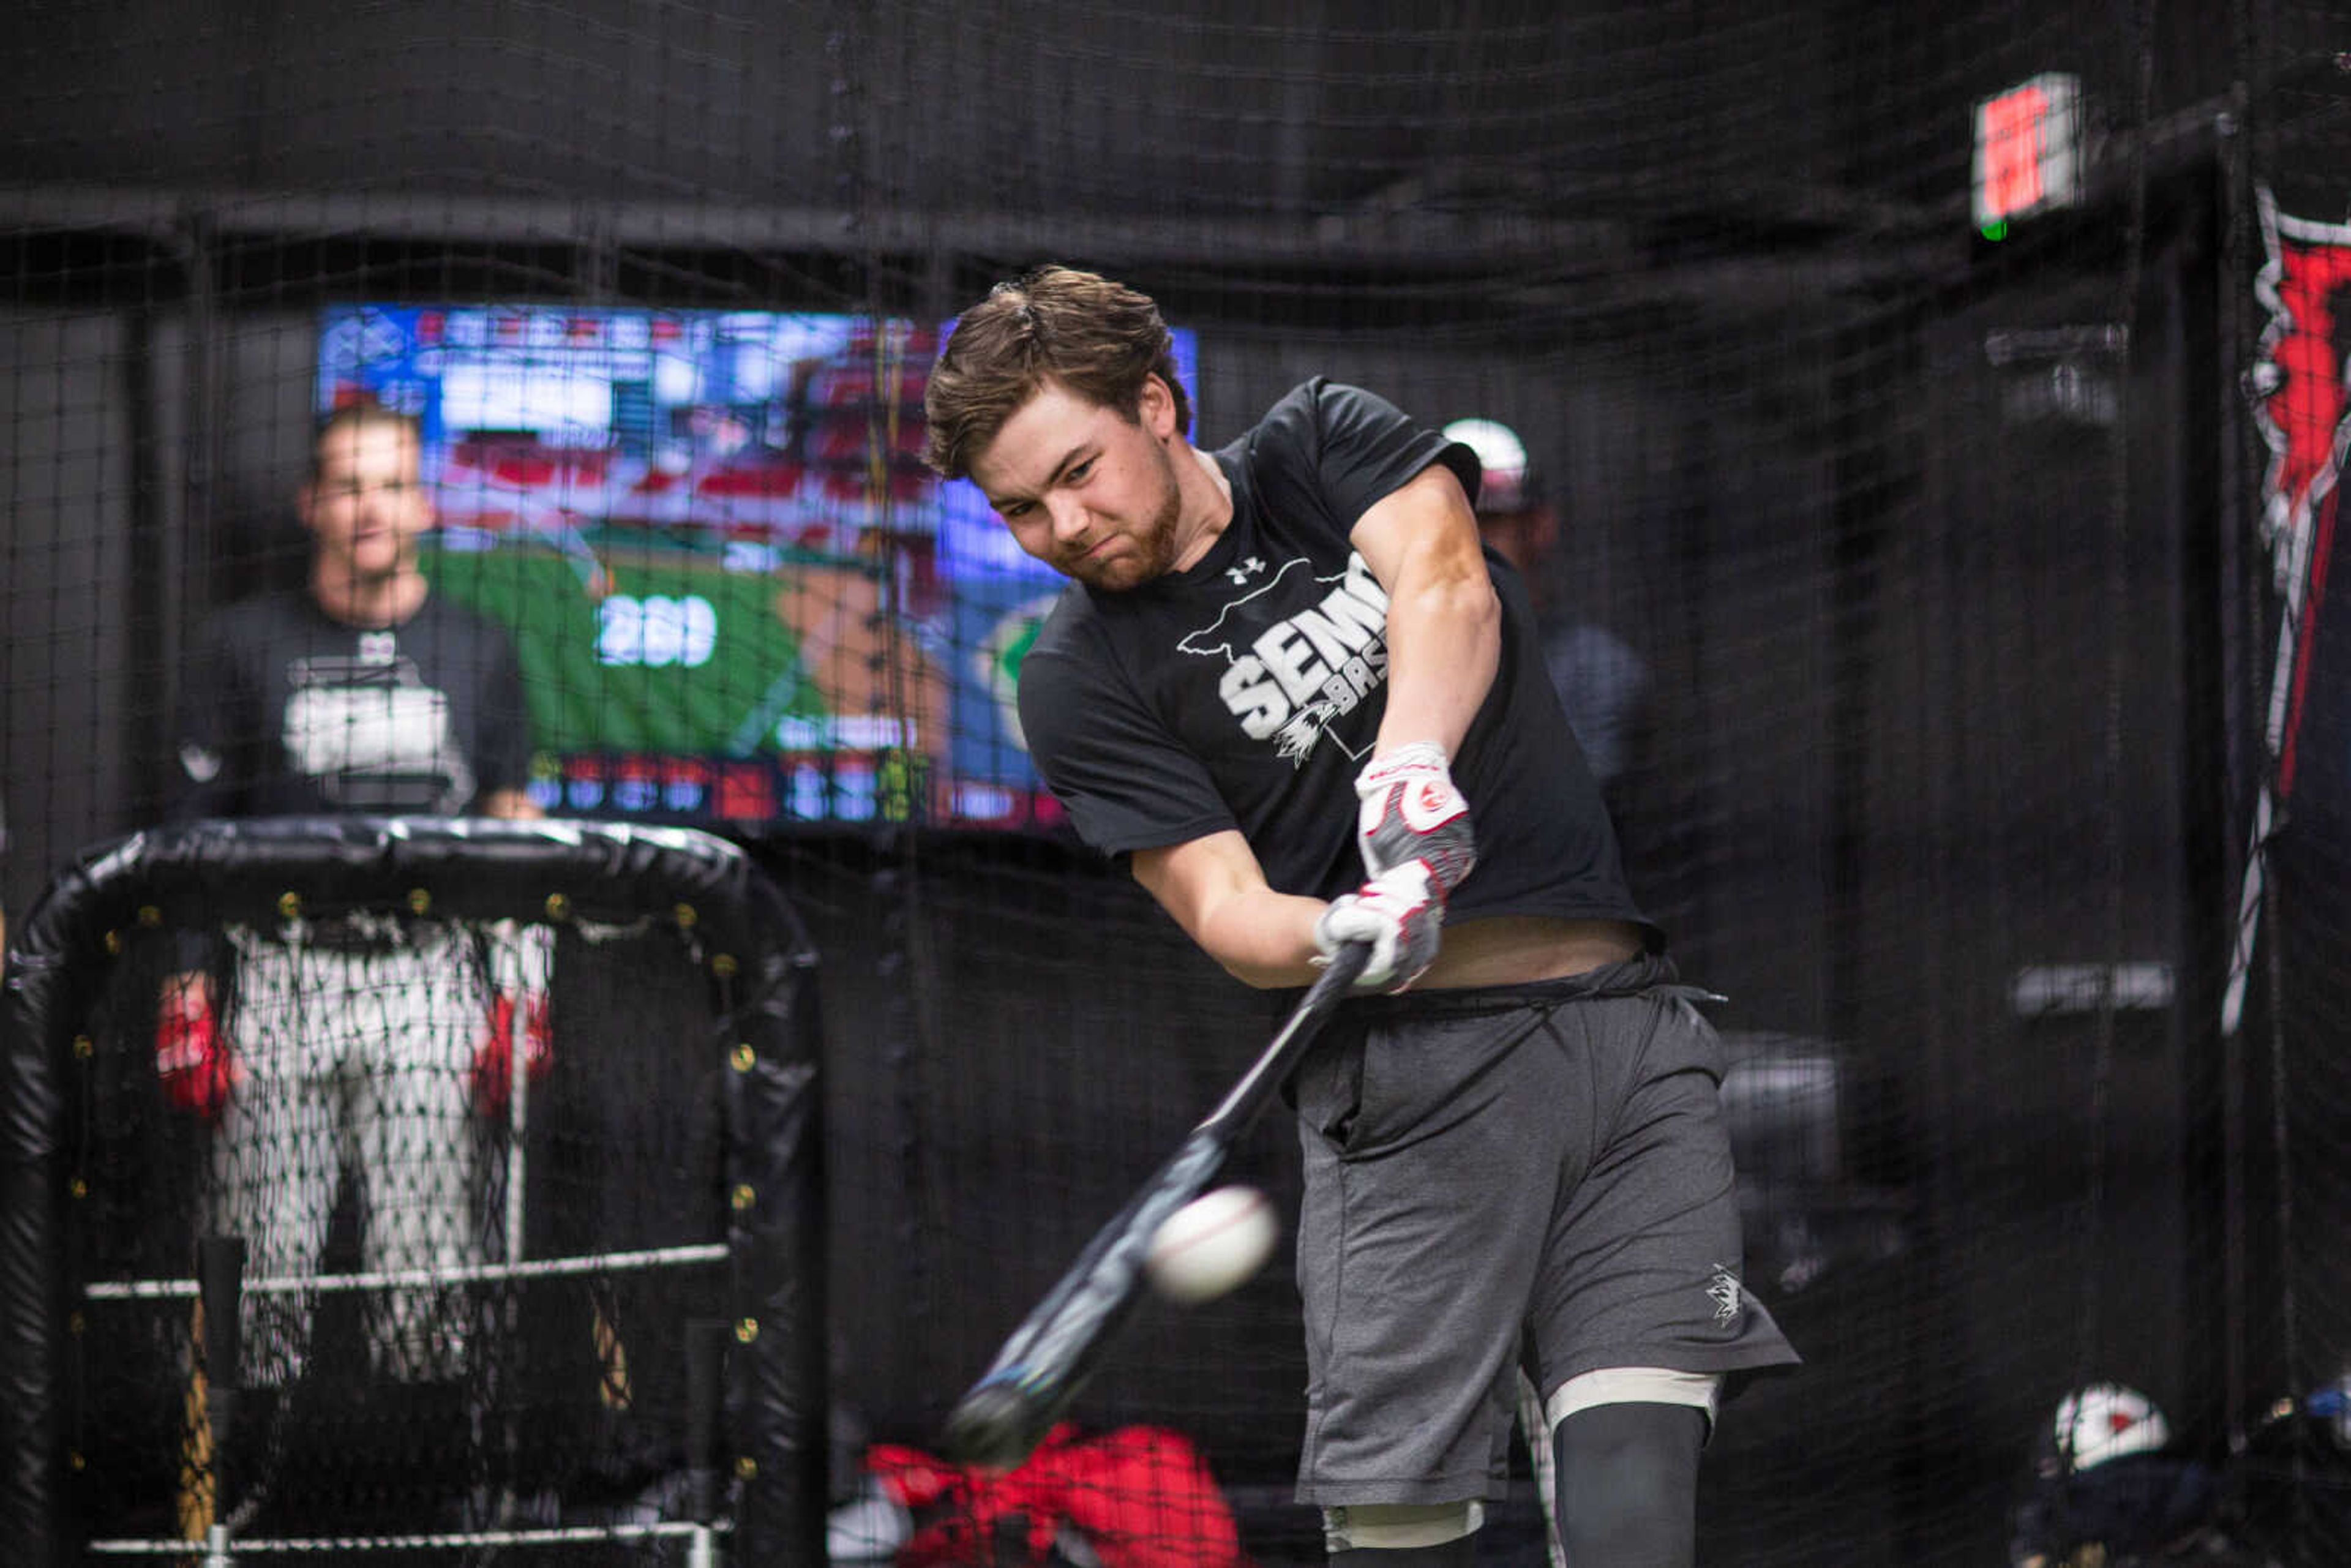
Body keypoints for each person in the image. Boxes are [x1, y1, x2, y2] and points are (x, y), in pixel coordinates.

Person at [923, 266, 1797, 1568]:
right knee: (1404, 1537)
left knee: (1633, 1502)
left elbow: (1447, 582)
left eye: (1080, 470)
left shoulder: (1319, 442)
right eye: (1020, 509)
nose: (1065, 524)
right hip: (1411, 1094)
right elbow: (1222, 906)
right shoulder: (1072, 677)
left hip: (1623, 1049)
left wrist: (1409, 764)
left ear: (1156, 403)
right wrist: (1332, 932)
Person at [163, 400, 550, 1392]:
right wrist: (188, 985)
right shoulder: (240, 643)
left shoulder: (482, 645)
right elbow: (193, 830)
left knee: (428, 1288)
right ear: (312, 504)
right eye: (347, 484)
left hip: (428, 980)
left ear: (422, 504)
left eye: (388, 484)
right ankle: (235, 1512)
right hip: (283, 978)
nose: (368, 506)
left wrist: (525, 986)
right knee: (254, 1278)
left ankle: (436, 1499)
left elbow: (514, 820)